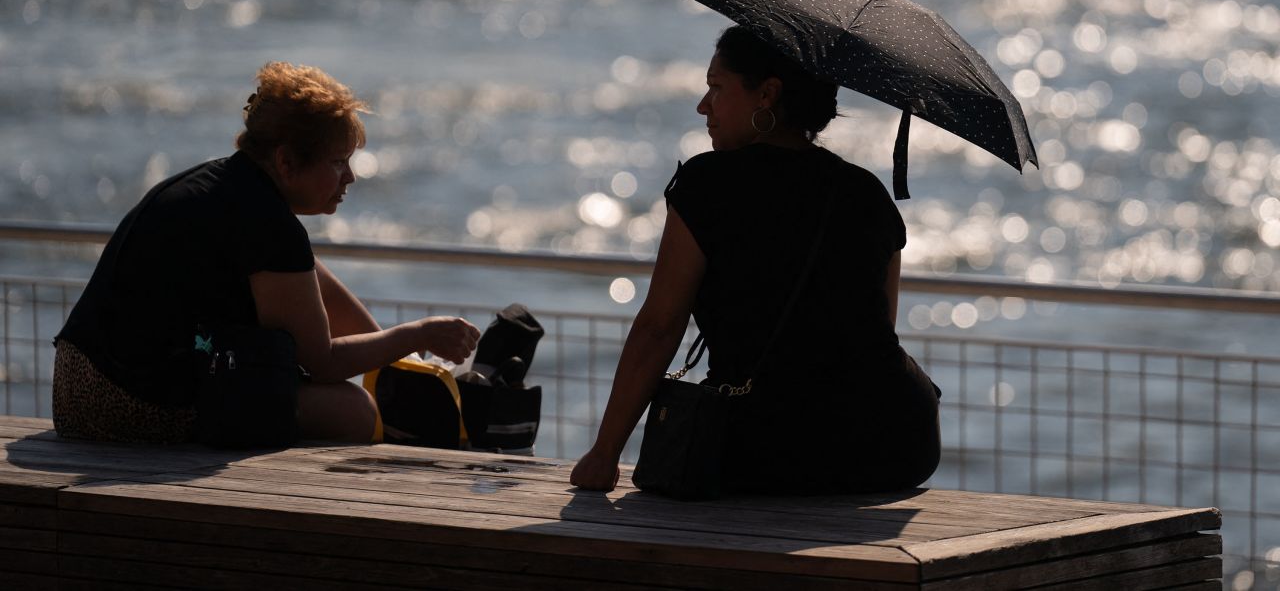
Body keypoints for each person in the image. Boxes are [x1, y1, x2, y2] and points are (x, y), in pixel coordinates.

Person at [571, 26, 941, 495]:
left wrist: (604, 456)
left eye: (717, 88)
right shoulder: (868, 194)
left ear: (766, 94)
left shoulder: (708, 185)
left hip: (764, 447)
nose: (703, 106)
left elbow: (659, 328)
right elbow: (876, 334)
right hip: (892, 446)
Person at [52, 62, 480, 444]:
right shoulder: (269, 225)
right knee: (353, 411)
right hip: (121, 404)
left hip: (75, 384)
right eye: (337, 163)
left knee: (309, 284)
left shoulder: (227, 185)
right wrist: (419, 333)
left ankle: (401, 378)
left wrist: (394, 362)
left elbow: (307, 277)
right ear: (287, 162)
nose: (350, 177)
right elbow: (324, 362)